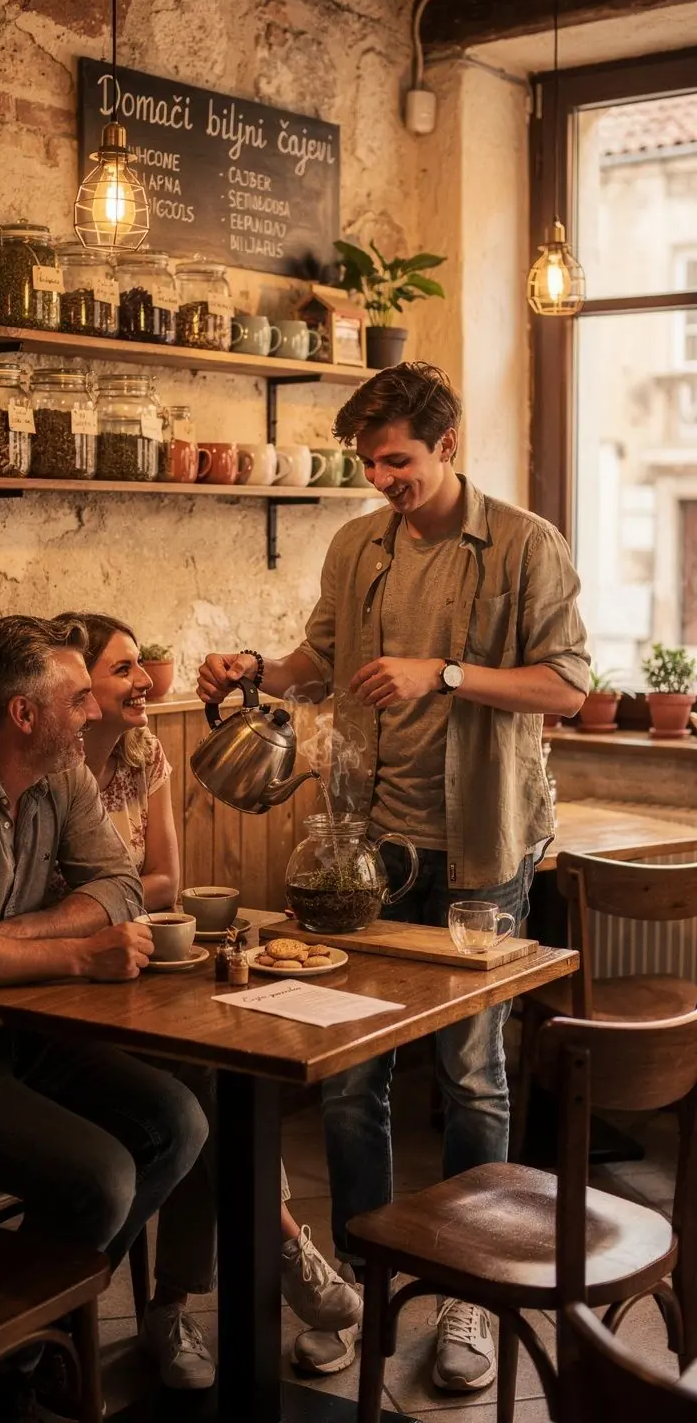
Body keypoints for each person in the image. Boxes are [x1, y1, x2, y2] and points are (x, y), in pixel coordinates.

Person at [197, 362, 589, 1392]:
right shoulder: (356, 545)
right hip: (366, 849)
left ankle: (467, 1295)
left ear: (449, 447)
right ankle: (367, 1283)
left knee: (471, 1076)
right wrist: (252, 670)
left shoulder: (524, 544)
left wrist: (444, 674)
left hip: (481, 848)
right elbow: (314, 660)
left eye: (400, 461)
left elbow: (570, 685)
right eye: (371, 462)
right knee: (348, 1076)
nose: (384, 480)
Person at [0, 615, 209, 1423]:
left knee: (180, 1120)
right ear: (24, 714)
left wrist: (0, 939)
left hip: (16, 1029)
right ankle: (11, 1374)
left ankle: (27, 1343)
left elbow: (124, 888)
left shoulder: (60, 777)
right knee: (102, 1176)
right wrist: (74, 953)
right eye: (75, 700)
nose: (92, 712)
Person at [59, 611, 363, 1391]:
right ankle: (278, 1247)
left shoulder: (145, 752)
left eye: (140, 667)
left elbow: (166, 878)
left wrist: (99, 899)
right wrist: (108, 905)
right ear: (73, 687)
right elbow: (103, 892)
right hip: (67, 991)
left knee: (213, 1069)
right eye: (124, 669)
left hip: (143, 972)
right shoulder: (49, 768)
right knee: (200, 1079)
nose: (144, 683)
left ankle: (173, 1304)